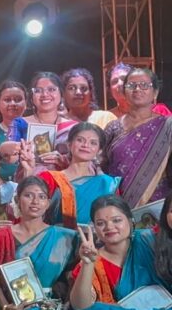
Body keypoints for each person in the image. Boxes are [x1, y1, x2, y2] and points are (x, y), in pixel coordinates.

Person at [65, 195, 172, 310]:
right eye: (100, 223)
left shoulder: (150, 241)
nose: (109, 227)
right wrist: (88, 263)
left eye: (116, 220)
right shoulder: (93, 260)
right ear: (94, 228)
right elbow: (81, 307)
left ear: (130, 221)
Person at [0, 176, 78, 310]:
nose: (35, 201)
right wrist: (6, 308)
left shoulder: (65, 237)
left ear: (48, 203)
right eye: (28, 195)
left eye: (41, 196)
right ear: (17, 200)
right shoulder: (3, 236)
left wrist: (67, 303)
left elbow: (71, 277)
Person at [103, 68, 171, 207]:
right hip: (118, 207)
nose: (137, 89)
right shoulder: (113, 128)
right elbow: (100, 165)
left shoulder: (167, 126)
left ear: (155, 92)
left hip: (158, 207)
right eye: (131, 85)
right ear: (124, 92)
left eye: (144, 85)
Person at [40, 122, 120, 228]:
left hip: (96, 237)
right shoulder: (49, 178)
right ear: (69, 144)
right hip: (56, 237)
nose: (85, 145)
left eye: (93, 143)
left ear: (99, 150)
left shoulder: (108, 184)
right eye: (80, 140)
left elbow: (115, 218)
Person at [9, 72, 77, 172]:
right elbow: (10, 158)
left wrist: (63, 161)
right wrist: (15, 148)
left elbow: (80, 164)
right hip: (28, 179)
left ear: (61, 94)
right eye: (38, 91)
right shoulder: (20, 123)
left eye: (51, 89)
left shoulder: (73, 127)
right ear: (32, 96)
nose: (45, 94)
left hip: (63, 180)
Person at [107, 62, 172, 118]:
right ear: (110, 90)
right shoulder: (106, 117)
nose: (119, 84)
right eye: (114, 82)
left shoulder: (159, 111)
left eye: (124, 79)